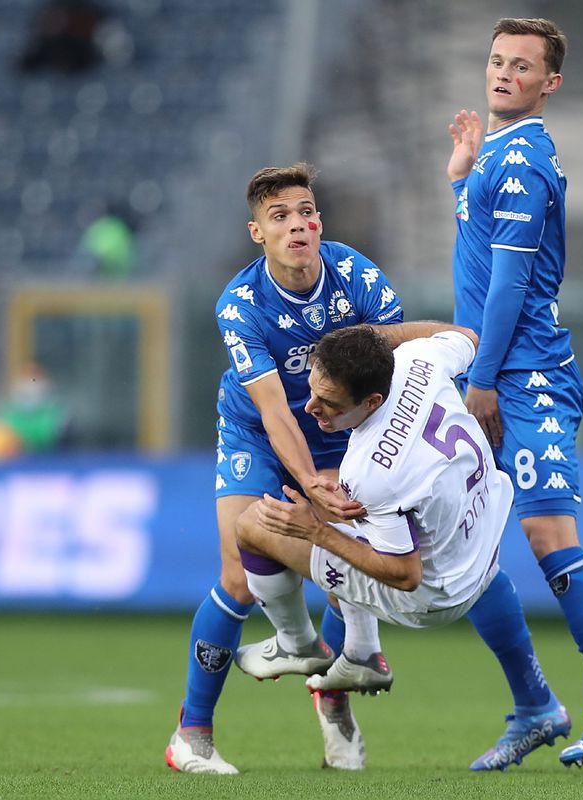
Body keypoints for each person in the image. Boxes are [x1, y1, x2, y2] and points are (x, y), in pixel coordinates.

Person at [167, 163, 416, 775]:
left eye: (305, 212)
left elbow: (395, 366)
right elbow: (275, 410)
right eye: (279, 217)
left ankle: (332, 695)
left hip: (343, 428)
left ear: (319, 222)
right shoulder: (240, 303)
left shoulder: (356, 274)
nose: (296, 225)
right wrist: (309, 483)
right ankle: (191, 734)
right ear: (258, 233)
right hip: (258, 431)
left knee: (349, 553)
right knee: (236, 575)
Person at [234, 324, 575, 770]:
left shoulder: (371, 469)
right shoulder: (421, 360)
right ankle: (536, 703)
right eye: (313, 391)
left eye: (330, 403)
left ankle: (302, 644)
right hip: (482, 533)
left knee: (256, 525)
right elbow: (468, 336)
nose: (311, 406)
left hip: (427, 597)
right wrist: (368, 339)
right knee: (339, 504)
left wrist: (315, 533)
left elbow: (403, 573)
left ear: (372, 402)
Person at [445, 18, 583, 767]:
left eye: (521, 66)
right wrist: (462, 176)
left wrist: (486, 379)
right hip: (489, 373)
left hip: (523, 377)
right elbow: (479, 255)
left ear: (548, 84)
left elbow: (510, 283)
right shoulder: (494, 155)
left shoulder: (527, 160)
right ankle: (533, 705)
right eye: (496, 60)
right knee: (462, 547)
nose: (503, 74)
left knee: (547, 537)